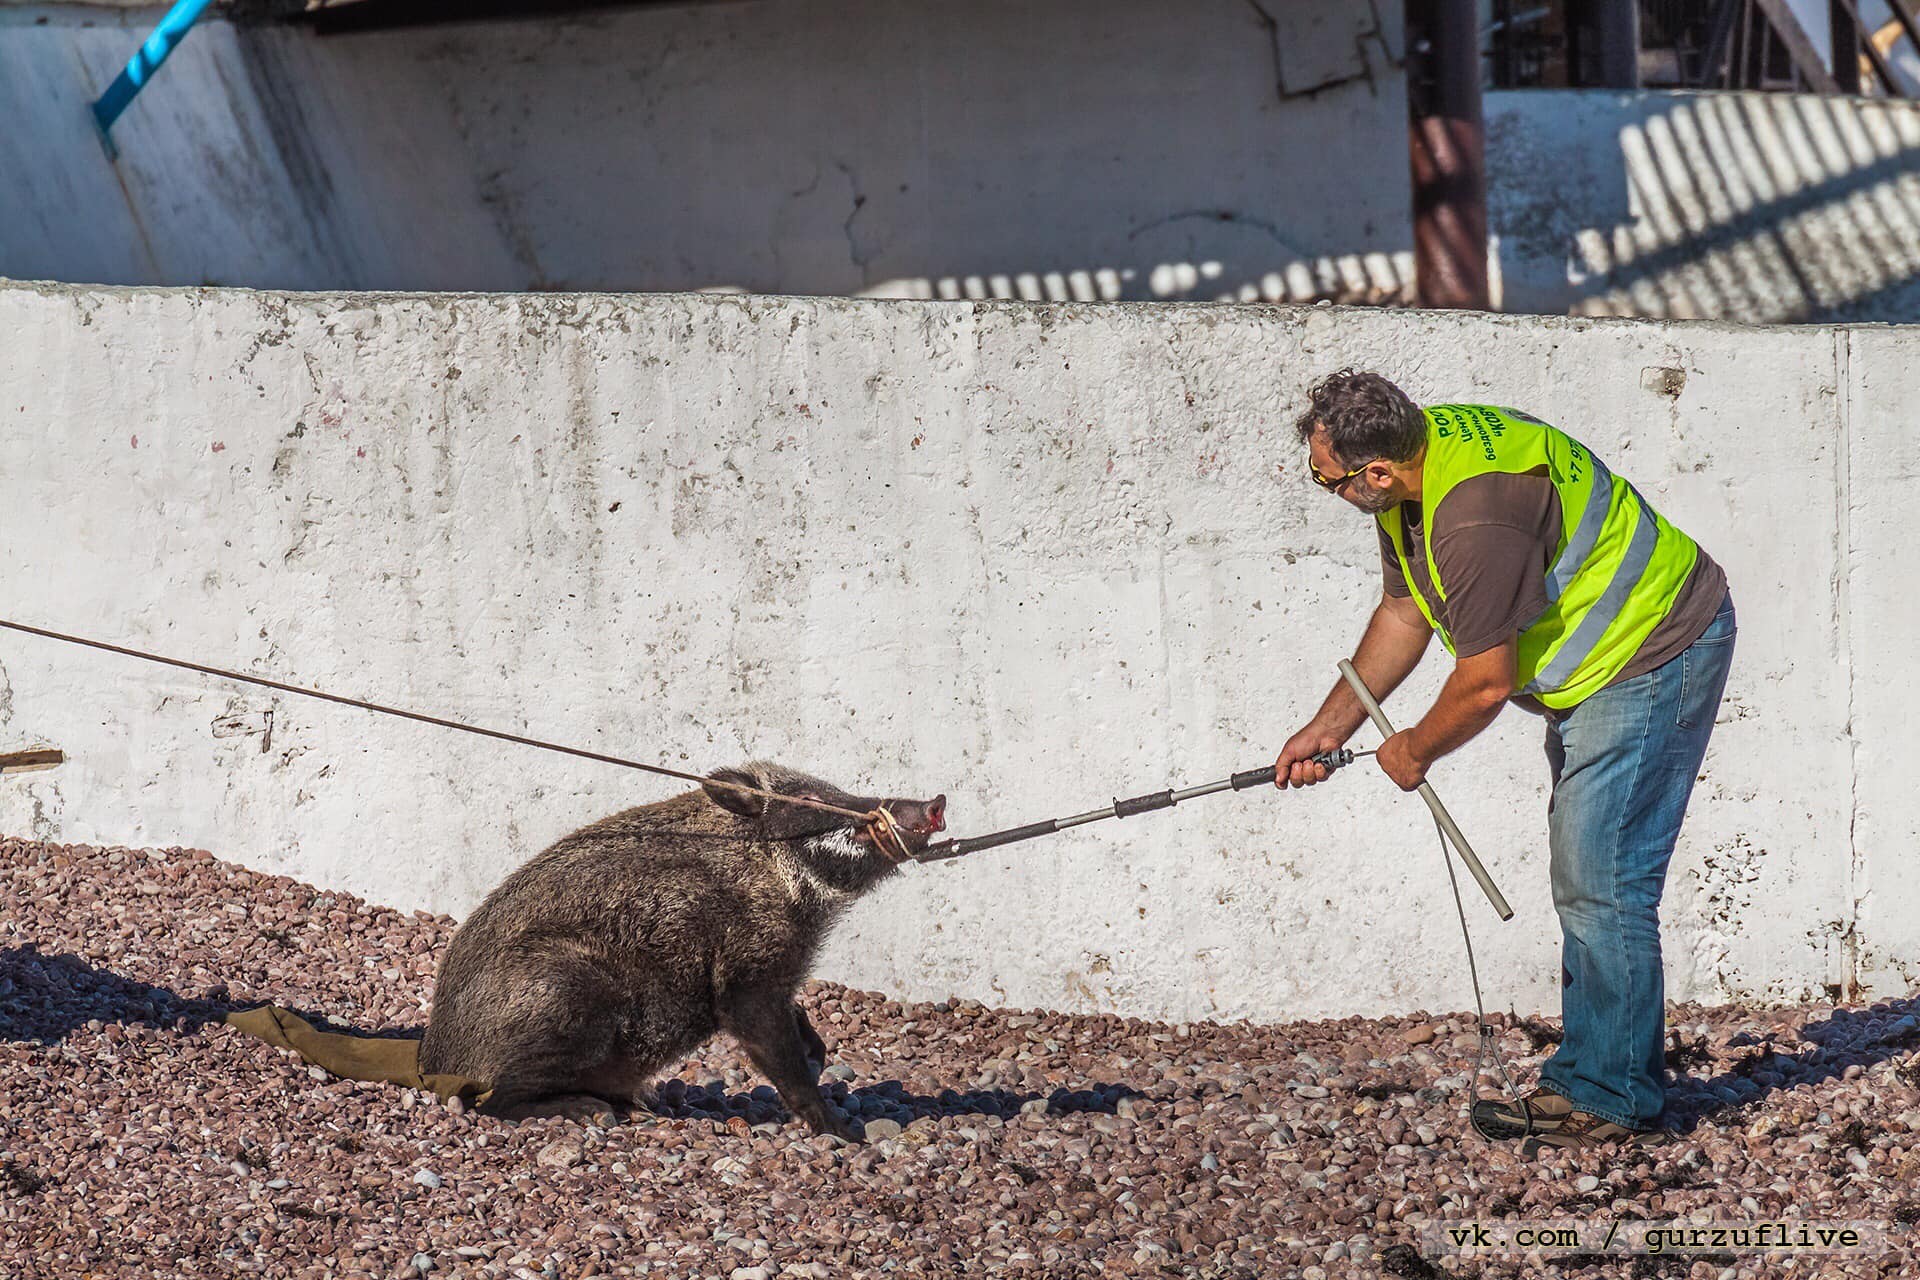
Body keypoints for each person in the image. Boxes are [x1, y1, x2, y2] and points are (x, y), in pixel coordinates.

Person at [1276, 370, 1735, 1156]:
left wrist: (1413, 749)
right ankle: (1600, 1071)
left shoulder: (1474, 517)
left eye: (1328, 480)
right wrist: (1332, 720)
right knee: (1591, 874)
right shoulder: (1424, 466)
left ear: (1375, 472)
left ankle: (1610, 1095)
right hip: (1602, 667)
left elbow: (1486, 683)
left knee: (1603, 879)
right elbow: (1405, 608)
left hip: (1654, 652)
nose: (1327, 490)